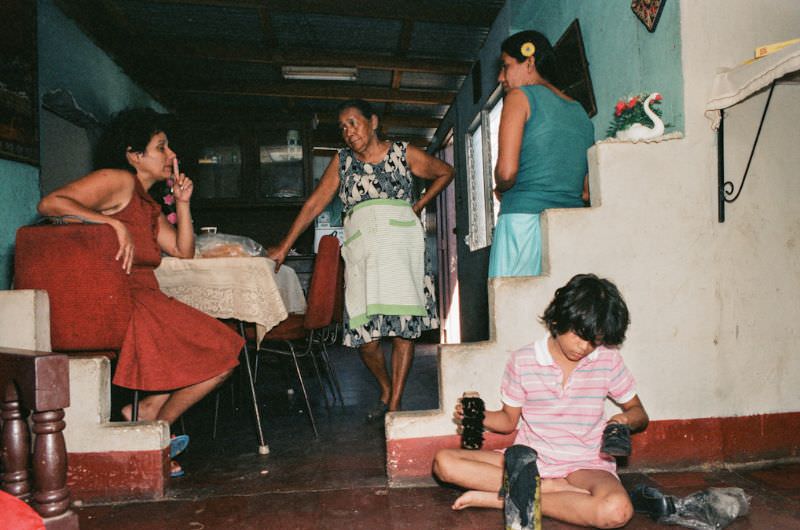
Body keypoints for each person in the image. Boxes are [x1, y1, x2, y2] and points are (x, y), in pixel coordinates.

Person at [37, 108, 243, 477]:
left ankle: (150, 421)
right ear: (134, 155)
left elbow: (183, 250)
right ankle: (154, 433)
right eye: (161, 147)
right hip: (125, 300)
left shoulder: (147, 203)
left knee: (223, 350)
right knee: (222, 348)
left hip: (147, 298)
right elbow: (51, 204)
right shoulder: (118, 180)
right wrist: (110, 223)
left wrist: (182, 203)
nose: (171, 156)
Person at [268, 99, 454, 419]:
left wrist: (418, 206)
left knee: (403, 329)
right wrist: (285, 245)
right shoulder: (341, 162)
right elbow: (314, 204)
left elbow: (445, 172)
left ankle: (394, 404)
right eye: (342, 127)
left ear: (373, 122)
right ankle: (385, 386)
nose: (348, 131)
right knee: (365, 339)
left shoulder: (402, 153)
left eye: (353, 122)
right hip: (363, 254)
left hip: (401, 250)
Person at [433, 274, 649, 529]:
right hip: (531, 460)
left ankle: (508, 500)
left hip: (587, 462)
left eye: (595, 340)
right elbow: (507, 421)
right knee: (444, 463)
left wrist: (623, 419)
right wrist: (477, 416)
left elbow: (639, 413)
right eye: (579, 335)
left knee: (617, 511)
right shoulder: (524, 360)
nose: (584, 347)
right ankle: (545, 490)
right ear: (558, 319)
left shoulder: (608, 360)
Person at [489, 30, 594, 278]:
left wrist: (501, 187)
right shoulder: (579, 112)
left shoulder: (519, 97)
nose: (500, 77)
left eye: (505, 66)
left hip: (523, 224)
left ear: (529, 62)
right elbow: (585, 191)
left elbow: (506, 172)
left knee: (514, 311)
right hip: (569, 226)